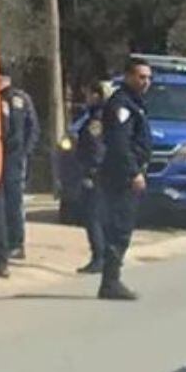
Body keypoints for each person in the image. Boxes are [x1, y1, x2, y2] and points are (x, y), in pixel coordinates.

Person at [88, 57, 154, 300]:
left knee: (122, 227)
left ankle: (111, 279)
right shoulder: (121, 105)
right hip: (120, 176)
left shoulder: (137, 103)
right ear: (128, 76)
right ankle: (110, 282)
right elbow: (119, 143)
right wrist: (133, 172)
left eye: (148, 77)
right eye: (141, 77)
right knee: (119, 227)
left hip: (127, 172)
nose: (146, 82)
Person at [0, 63, 40, 260]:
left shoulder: (19, 99)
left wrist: (25, 152)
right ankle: (2, 241)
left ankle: (16, 243)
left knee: (13, 201)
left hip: (14, 157)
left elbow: (33, 128)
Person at [71, 79, 111, 274]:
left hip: (95, 174)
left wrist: (90, 171)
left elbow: (95, 147)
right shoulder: (96, 115)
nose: (86, 99)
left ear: (97, 95)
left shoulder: (97, 119)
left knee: (93, 217)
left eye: (88, 94)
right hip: (99, 173)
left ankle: (99, 257)